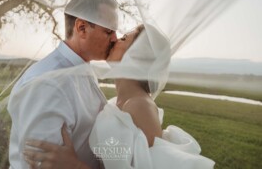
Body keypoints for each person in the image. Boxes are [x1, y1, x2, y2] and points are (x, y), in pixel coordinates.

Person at [22, 25, 215, 169]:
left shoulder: (141, 107)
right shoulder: (117, 103)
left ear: (138, 55)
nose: (114, 40)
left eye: (123, 38)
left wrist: (74, 165)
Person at [7, 0, 144, 169]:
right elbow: (40, 164)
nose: (115, 39)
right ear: (82, 28)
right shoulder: (47, 85)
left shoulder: (82, 68)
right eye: (108, 31)